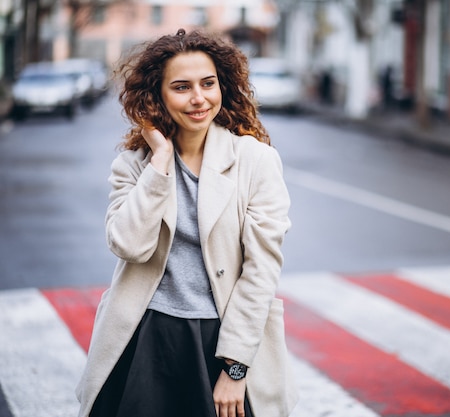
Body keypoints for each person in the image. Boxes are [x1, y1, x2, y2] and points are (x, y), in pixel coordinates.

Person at [75, 28, 298, 417]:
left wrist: (235, 367)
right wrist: (159, 163)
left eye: (208, 84)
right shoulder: (135, 164)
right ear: (157, 95)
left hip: (222, 337)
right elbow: (129, 244)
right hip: (144, 335)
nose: (199, 98)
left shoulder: (255, 161)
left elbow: (262, 270)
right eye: (181, 87)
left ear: (222, 86)